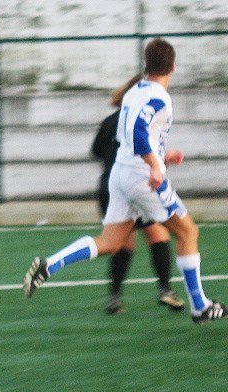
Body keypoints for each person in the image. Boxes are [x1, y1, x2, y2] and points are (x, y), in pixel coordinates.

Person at [23, 38, 227, 323]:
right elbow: (139, 132)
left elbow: (129, 135)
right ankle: (199, 306)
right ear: (173, 66)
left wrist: (162, 156)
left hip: (120, 173)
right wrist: (155, 165)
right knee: (188, 233)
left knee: (110, 242)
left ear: (147, 63)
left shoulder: (134, 92)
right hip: (142, 179)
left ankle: (52, 263)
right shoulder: (160, 97)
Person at [92, 74, 185, 314]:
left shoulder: (111, 121)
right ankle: (165, 290)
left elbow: (96, 150)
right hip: (135, 183)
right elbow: (140, 149)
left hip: (109, 184)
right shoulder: (142, 119)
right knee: (158, 234)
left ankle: (114, 297)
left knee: (121, 242)